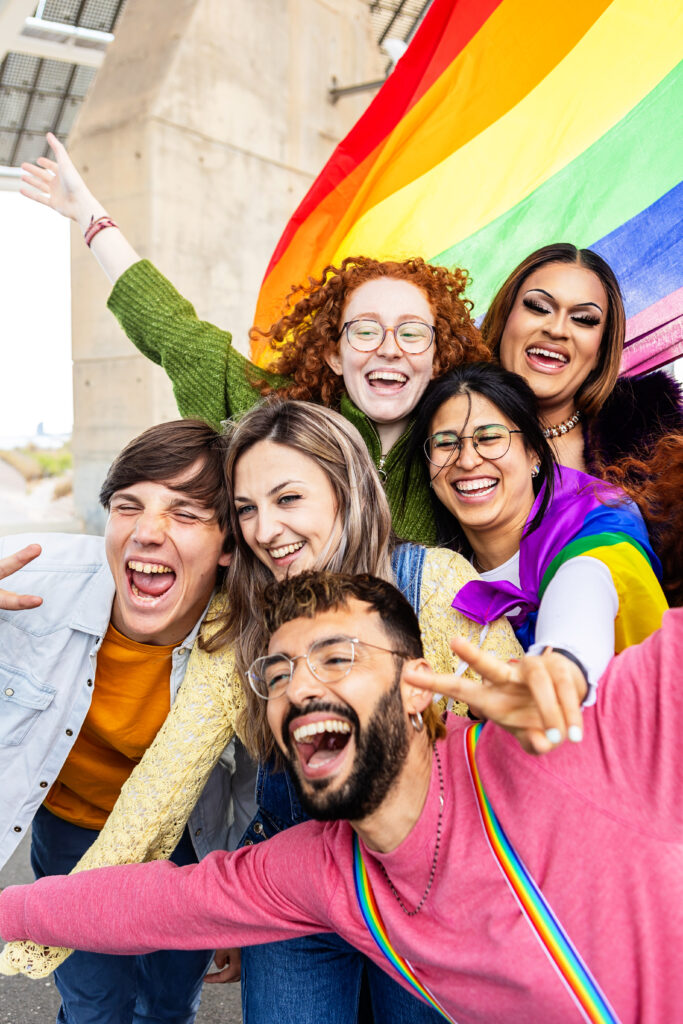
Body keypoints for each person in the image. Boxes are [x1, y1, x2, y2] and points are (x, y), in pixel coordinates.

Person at [1, 400, 522, 1024]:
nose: (264, 530)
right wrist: (38, 925)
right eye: (247, 509)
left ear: (346, 489)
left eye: (288, 499)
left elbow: (524, 732)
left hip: (429, 883)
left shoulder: (433, 582)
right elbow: (159, 794)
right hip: (294, 883)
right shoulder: (240, 617)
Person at [1, 571, 681, 1024]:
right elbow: (148, 903)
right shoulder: (325, 871)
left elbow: (600, 574)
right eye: (279, 672)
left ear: (418, 687)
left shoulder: (582, 733)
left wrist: (571, 658)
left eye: (336, 657)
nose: (298, 688)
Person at [20, 133, 491, 545]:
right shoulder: (274, 417)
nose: (389, 347)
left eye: (411, 332)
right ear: (332, 353)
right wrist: (88, 216)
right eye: (365, 330)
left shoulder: (460, 450)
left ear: (436, 355)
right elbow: (178, 335)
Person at [0, 419, 258, 1024]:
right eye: (127, 505)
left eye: (186, 513)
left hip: (184, 846)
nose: (147, 531)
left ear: (228, 544)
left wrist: (236, 907)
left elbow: (252, 786)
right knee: (94, 1006)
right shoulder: (31, 579)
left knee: (168, 1005)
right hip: (70, 831)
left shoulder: (246, 639)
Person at [409, 363, 668, 697]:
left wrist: (560, 670)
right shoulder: (432, 576)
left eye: (489, 437)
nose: (468, 460)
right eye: (446, 443)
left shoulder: (596, 528)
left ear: (534, 454)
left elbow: (588, 581)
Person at [481, 242, 682, 475]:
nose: (557, 330)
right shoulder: (439, 423)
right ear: (504, 318)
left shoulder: (663, 446)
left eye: (584, 319)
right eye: (538, 307)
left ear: (601, 351)